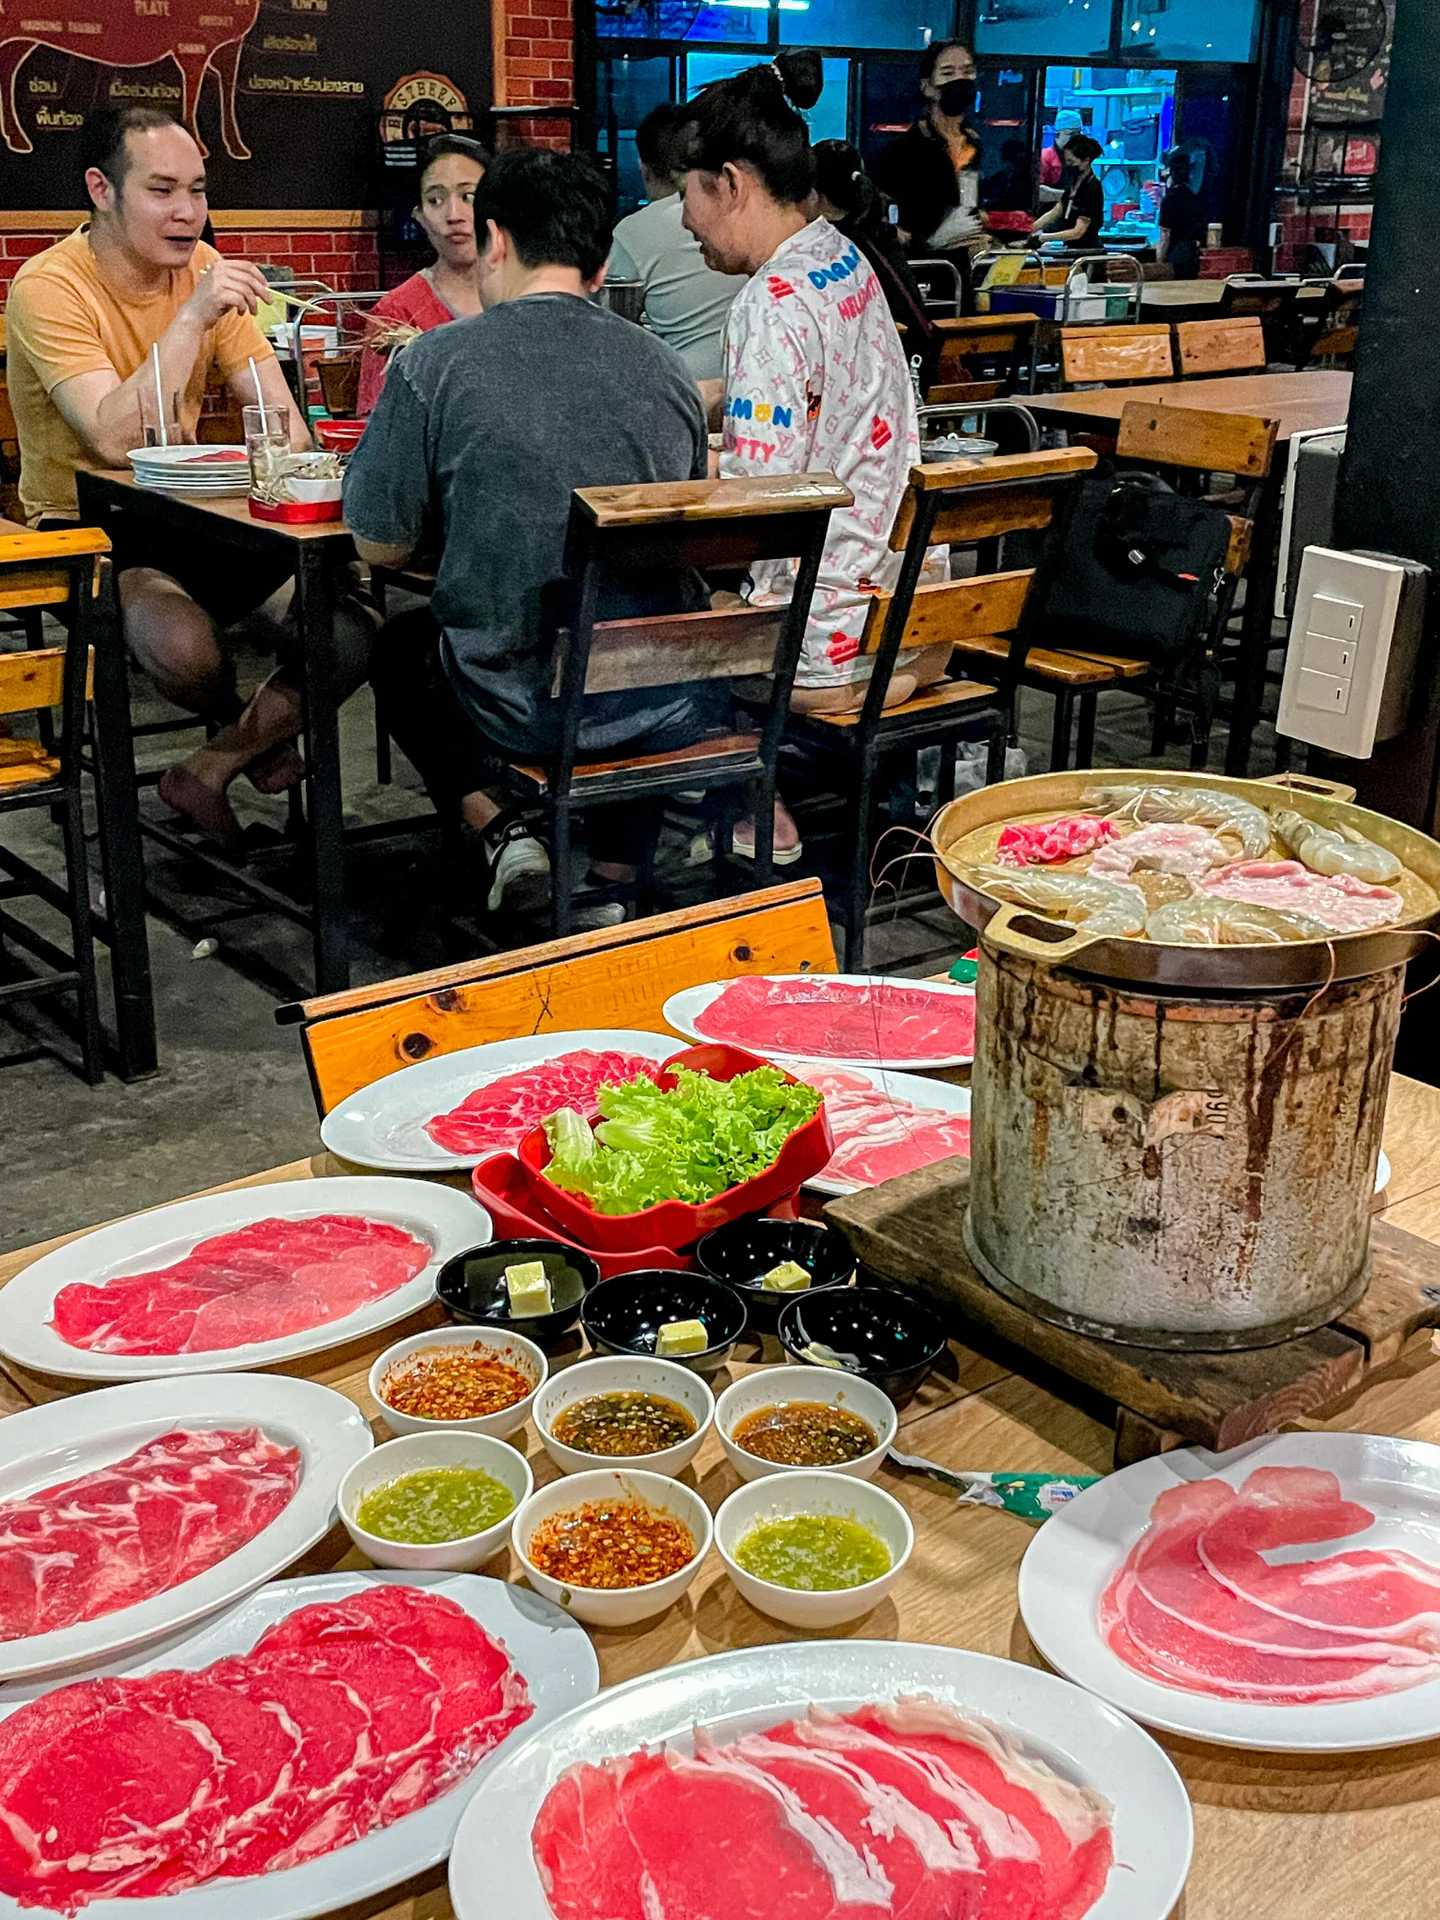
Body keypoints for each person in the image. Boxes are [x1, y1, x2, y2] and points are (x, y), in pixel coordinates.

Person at [346, 148, 713, 918]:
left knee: (403, 647)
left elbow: (377, 542)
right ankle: (615, 871)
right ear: (602, 261)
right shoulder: (669, 371)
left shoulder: (437, 362)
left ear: (496, 241)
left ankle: (500, 825)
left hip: (526, 703)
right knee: (623, 625)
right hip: (666, 694)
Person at [4, 105, 322, 839]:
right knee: (184, 648)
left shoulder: (207, 270)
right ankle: (254, 727)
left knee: (347, 626)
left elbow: (278, 415)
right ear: (101, 189)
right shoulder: (48, 285)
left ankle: (214, 763)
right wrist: (190, 320)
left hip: (196, 508)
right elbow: (113, 439)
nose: (188, 213)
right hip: (85, 523)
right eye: (163, 191)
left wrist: (303, 469)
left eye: (200, 191)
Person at [676, 52, 943, 861]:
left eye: (684, 195)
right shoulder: (839, 255)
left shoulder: (766, 303)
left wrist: (679, 464)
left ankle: (757, 813)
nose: (682, 221)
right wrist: (720, 401)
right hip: (904, 614)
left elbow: (762, 505)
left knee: (645, 631)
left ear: (729, 182)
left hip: (825, 642)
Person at [606, 103, 747, 385]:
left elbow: (612, 323)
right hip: (745, 371)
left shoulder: (635, 230)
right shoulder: (737, 217)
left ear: (643, 168)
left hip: (685, 383)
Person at [356, 134, 487, 416]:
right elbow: (379, 427)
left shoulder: (525, 296)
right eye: (436, 200)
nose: (454, 215)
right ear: (420, 216)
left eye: (469, 197)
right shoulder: (396, 310)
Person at [811, 139, 938, 389]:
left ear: (815, 192)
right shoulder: (880, 235)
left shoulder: (834, 246)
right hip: (918, 361)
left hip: (889, 374)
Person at [872, 40, 983, 306]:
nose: (960, 79)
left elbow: (968, 204)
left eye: (967, 71)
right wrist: (926, 240)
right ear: (927, 86)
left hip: (964, 276)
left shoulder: (975, 144)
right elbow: (877, 221)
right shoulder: (903, 151)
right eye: (947, 73)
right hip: (917, 279)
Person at [1033, 132, 1105, 248]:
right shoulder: (1073, 183)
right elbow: (1056, 211)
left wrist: (1043, 237)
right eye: (1067, 161)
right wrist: (1029, 229)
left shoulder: (1092, 188)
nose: (1068, 165)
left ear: (1086, 161)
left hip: (1087, 251)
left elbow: (1078, 232)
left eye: (1071, 161)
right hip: (1070, 247)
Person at [1157, 148, 1206, 281]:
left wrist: (1159, 262)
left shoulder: (1169, 200)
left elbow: (1164, 235)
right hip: (1193, 255)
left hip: (1175, 255)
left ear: (1171, 173)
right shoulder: (1194, 197)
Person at [1039, 107, 1083, 203]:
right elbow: (1037, 192)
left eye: (1079, 134)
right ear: (1058, 134)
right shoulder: (1045, 157)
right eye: (1072, 134)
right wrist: (1070, 196)